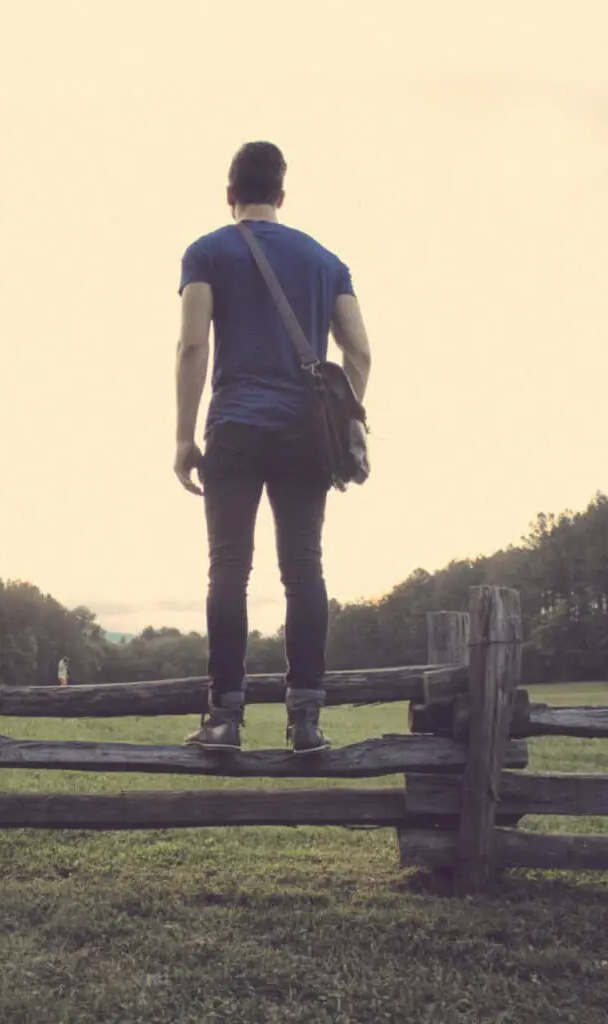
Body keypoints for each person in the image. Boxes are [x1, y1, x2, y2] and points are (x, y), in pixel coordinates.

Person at [174, 141, 371, 754]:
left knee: (229, 570)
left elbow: (192, 346)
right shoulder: (325, 261)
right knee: (303, 568)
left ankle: (225, 719)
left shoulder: (207, 252)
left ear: (229, 193)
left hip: (234, 426)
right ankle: (306, 721)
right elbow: (359, 351)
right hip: (303, 435)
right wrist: (347, 419)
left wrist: (183, 435)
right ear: (282, 195)